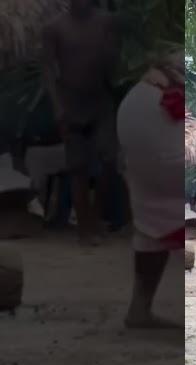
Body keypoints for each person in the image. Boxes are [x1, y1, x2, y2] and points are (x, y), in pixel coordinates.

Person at [42, 0, 121, 245]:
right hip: (71, 102)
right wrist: (58, 107)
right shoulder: (55, 27)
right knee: (78, 167)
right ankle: (84, 228)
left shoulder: (106, 21)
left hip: (101, 100)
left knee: (109, 160)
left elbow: (114, 60)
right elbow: (47, 69)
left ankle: (95, 218)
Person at [117, 51, 185, 329]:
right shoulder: (164, 95)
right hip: (167, 167)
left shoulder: (139, 95)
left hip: (147, 175)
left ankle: (139, 309)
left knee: (151, 233)